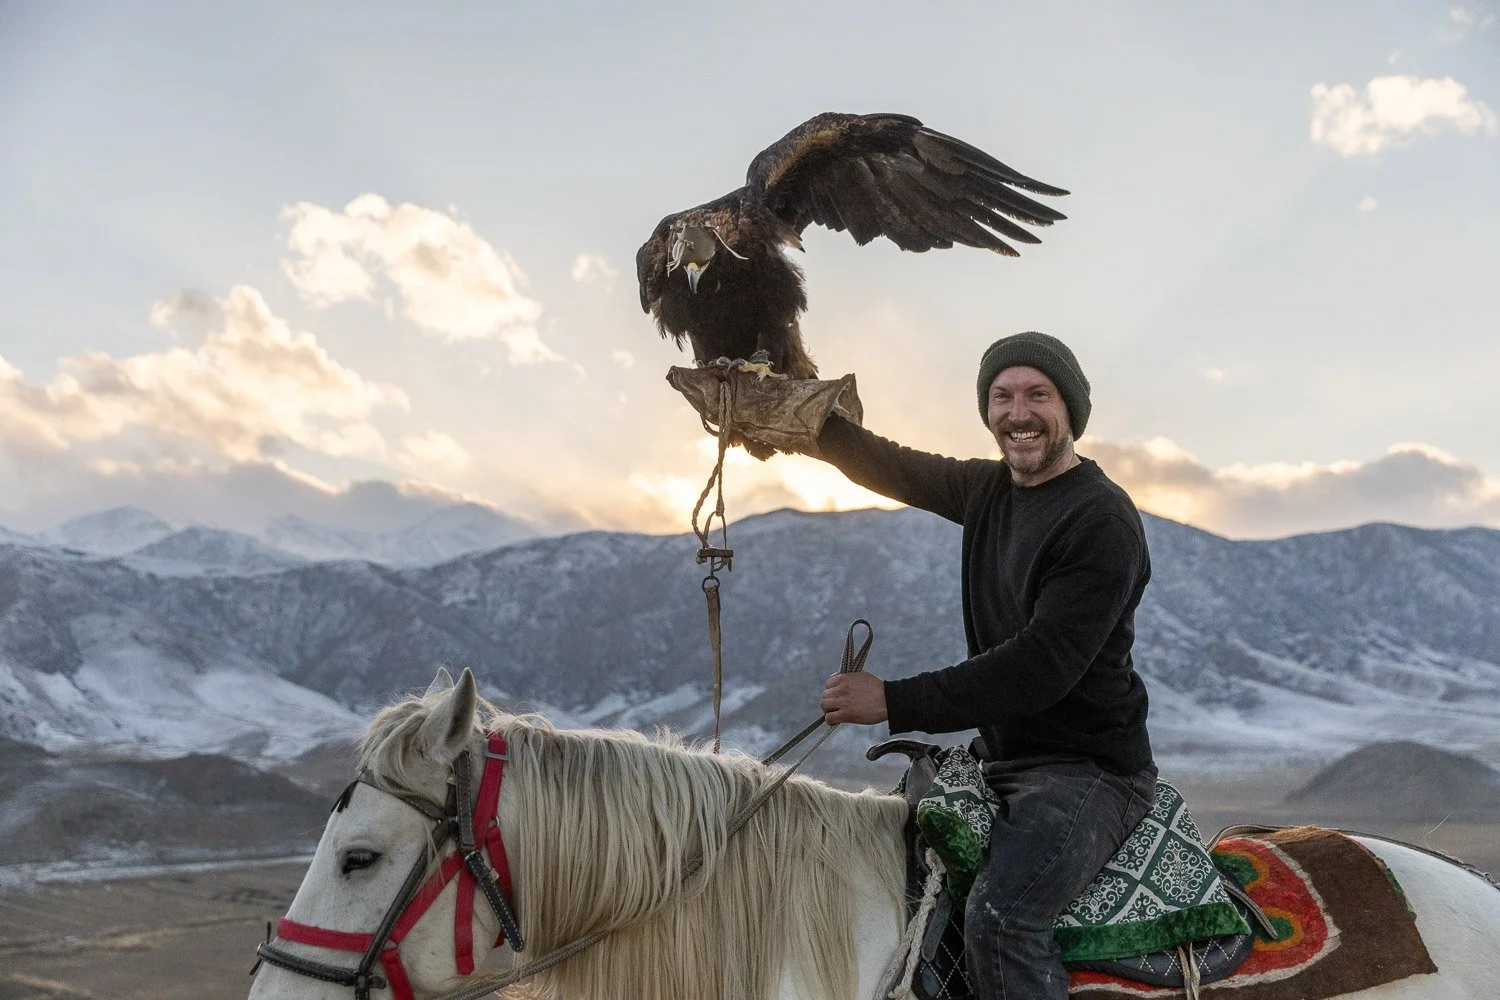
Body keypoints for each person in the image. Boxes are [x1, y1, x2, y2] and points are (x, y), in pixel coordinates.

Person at [816, 331, 1157, 1000]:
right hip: (1000, 761)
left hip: (1087, 773)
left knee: (1002, 922)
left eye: (1038, 395)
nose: (1018, 413)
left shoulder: (1101, 520)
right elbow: (892, 466)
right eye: (1002, 397)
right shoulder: (987, 489)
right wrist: (805, 422)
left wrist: (893, 699)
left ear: (1071, 410)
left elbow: (1038, 669)